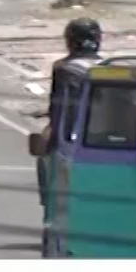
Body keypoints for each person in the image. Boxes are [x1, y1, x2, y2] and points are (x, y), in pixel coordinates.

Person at [39, 17, 103, 195]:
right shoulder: (111, 67)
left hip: (70, 142)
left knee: (44, 161)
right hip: (107, 140)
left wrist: (52, 139)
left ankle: (48, 202)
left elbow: (57, 110)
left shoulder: (64, 69)